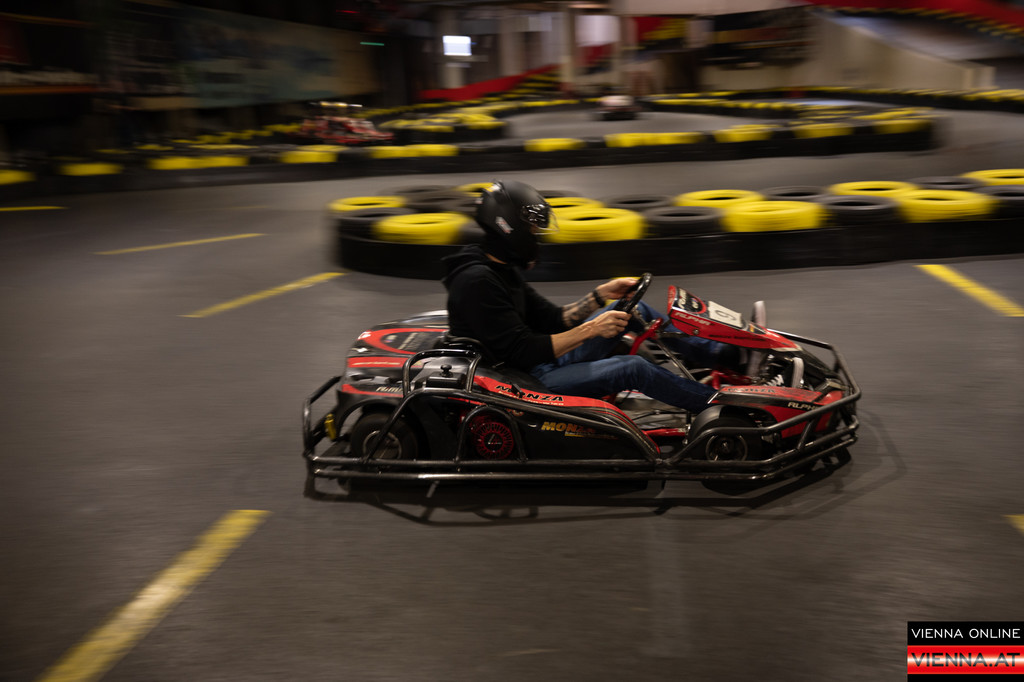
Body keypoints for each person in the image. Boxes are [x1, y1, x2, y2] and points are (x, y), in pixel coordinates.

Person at [441, 180, 731, 414]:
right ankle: (723, 407)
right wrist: (592, 328)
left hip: (540, 362)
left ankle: (724, 355)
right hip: (522, 381)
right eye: (532, 229)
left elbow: (553, 318)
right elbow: (522, 351)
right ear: (509, 228)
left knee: (631, 308)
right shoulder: (478, 282)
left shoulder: (501, 269)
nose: (536, 236)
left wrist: (600, 295)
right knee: (633, 369)